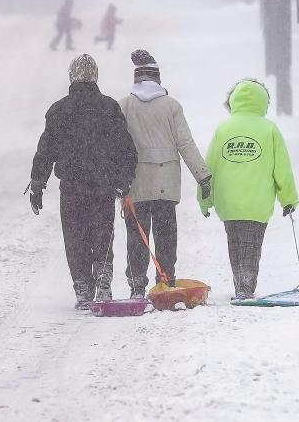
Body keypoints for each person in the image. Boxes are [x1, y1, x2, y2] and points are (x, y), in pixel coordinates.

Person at [29, 54, 138, 309]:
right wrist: (123, 181)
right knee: (103, 234)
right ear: (95, 76)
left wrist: (37, 183)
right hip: (103, 185)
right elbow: (126, 149)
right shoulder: (109, 108)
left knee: (75, 237)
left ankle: (82, 287)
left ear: (71, 76)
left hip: (72, 186)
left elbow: (46, 150)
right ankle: (103, 279)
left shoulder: (59, 110)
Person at [118, 50, 211, 298]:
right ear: (157, 78)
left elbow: (116, 144)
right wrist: (202, 175)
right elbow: (185, 143)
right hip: (166, 184)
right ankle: (166, 279)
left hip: (136, 183)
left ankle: (137, 284)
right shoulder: (172, 106)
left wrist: (116, 179)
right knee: (165, 233)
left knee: (137, 235)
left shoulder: (124, 105)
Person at [200, 79, 298, 300]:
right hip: (257, 201)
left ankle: (240, 287)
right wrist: (288, 198)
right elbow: (282, 169)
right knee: (252, 246)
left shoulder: (223, 129)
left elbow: (209, 167)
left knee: (234, 244)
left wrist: (205, 200)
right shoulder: (269, 129)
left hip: (229, 202)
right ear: (263, 101)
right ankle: (246, 286)